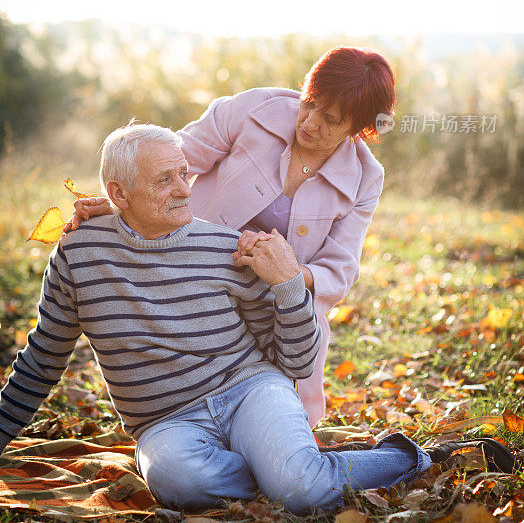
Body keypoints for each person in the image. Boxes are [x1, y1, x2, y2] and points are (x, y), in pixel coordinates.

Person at [0, 123, 436, 514]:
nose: (185, 189)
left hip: (250, 392)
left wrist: (287, 285)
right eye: (165, 179)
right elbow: (42, 360)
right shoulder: (78, 254)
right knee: (179, 482)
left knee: (303, 490)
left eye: (184, 174)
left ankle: (405, 457)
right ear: (118, 194)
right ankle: (283, 470)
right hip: (166, 422)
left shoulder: (225, 248)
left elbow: (297, 364)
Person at [66, 46, 394, 429]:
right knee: (192, 393)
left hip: (279, 300)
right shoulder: (253, 110)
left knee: (285, 423)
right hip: (194, 277)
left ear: (358, 129)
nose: (309, 122)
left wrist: (284, 271)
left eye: (332, 120)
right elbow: (167, 163)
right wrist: (121, 201)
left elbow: (339, 269)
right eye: (310, 103)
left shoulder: (365, 177)